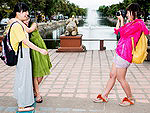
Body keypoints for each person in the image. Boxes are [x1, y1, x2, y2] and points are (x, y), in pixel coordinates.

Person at [93, 3, 149, 106]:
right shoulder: (131, 23)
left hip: (125, 54)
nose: (127, 14)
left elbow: (124, 33)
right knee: (112, 75)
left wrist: (123, 21)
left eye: (128, 12)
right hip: (119, 52)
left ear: (134, 13)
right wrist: (119, 20)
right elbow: (117, 31)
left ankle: (130, 98)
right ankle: (104, 95)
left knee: (120, 78)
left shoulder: (138, 24)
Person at [5, 2, 48, 112]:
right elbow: (25, 41)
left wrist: (15, 20)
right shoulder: (16, 26)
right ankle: (21, 106)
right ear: (17, 12)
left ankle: (22, 102)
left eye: (26, 12)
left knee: (23, 79)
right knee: (23, 80)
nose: (26, 14)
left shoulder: (17, 23)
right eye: (23, 12)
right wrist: (40, 50)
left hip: (24, 54)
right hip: (22, 55)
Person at [22, 18, 52, 103]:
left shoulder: (33, 24)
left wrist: (17, 22)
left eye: (27, 19)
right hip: (31, 50)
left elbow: (29, 30)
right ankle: (37, 94)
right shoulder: (21, 28)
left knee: (41, 73)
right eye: (24, 20)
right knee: (35, 73)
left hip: (40, 48)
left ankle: (33, 90)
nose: (26, 21)